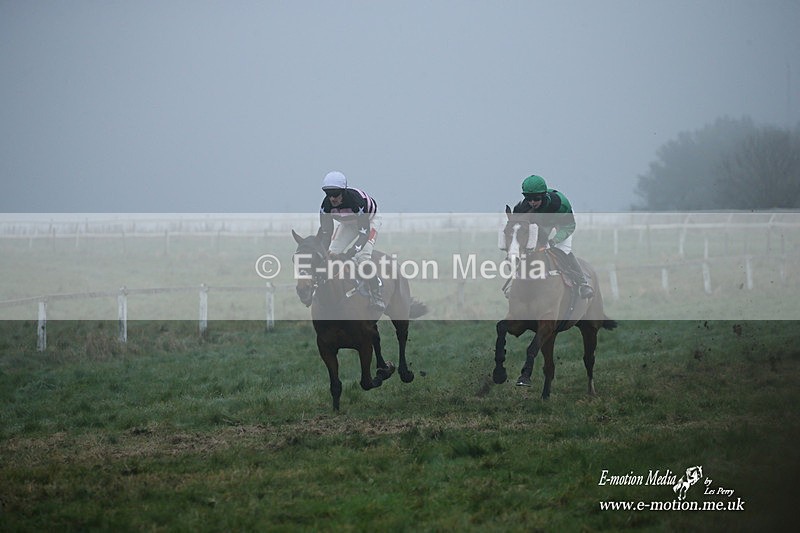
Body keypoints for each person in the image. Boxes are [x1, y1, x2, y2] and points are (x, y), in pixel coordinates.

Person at [511, 174, 594, 299]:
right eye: (528, 198)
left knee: (563, 250)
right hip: (543, 224)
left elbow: (569, 226)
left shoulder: (560, 205)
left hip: (563, 223)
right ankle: (519, 285)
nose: (532, 202)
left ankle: (582, 283)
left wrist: (554, 241)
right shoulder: (526, 206)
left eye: (536, 198)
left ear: (543, 195)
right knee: (531, 250)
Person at [317, 170, 385, 311]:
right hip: (348, 224)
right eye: (329, 194)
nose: (332, 198)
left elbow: (364, 233)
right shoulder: (326, 206)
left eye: (336, 194)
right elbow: (326, 233)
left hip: (369, 222)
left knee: (362, 258)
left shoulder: (356, 202)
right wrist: (322, 253)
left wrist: (351, 252)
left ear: (343, 191)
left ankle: (376, 292)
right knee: (331, 254)